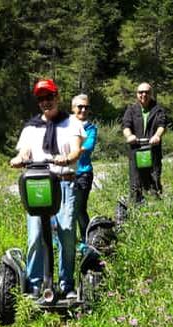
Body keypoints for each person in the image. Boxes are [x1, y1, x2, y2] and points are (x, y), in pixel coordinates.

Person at [10, 79, 84, 300]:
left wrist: (66, 158)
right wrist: (19, 158)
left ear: (57, 97)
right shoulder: (31, 127)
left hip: (63, 182)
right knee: (35, 235)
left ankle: (66, 284)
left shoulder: (71, 123)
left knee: (67, 233)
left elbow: (76, 150)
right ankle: (35, 285)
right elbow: (25, 151)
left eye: (49, 97)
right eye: (41, 98)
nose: (45, 102)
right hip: (38, 185)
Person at [122, 82, 167, 203]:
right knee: (135, 183)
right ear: (137, 94)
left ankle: (156, 207)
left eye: (146, 92)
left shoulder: (158, 109)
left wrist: (157, 136)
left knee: (154, 181)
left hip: (153, 151)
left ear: (151, 94)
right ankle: (136, 207)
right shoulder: (131, 110)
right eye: (140, 92)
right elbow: (126, 126)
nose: (143, 95)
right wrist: (129, 136)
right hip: (136, 151)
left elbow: (162, 125)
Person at [70, 93, 97, 247]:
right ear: (73, 108)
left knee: (79, 209)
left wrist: (70, 153)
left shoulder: (91, 128)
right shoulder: (64, 126)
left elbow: (88, 146)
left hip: (83, 173)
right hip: (65, 174)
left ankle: (86, 243)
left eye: (86, 107)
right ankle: (64, 241)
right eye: (80, 107)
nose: (83, 110)